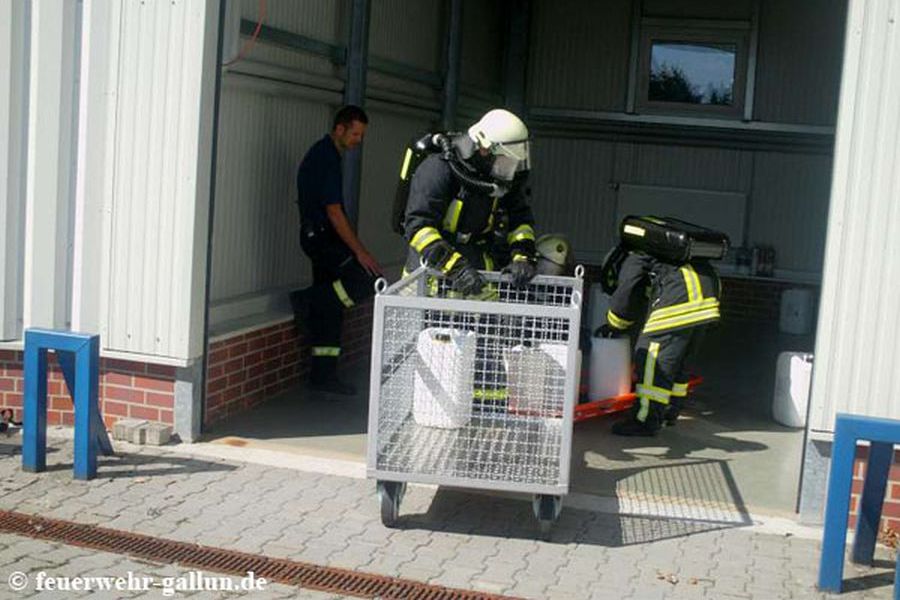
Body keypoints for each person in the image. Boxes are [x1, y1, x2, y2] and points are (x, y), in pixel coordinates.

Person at [403, 108, 539, 407]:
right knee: (435, 350)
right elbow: (418, 226)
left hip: (477, 266)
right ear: (483, 147)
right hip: (432, 273)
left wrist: (522, 256)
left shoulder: (502, 180)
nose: (512, 167)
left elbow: (522, 221)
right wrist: (456, 269)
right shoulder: (438, 169)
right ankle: (432, 410)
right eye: (506, 159)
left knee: (487, 343)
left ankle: (487, 413)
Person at [290, 105, 382, 395]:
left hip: (318, 237)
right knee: (365, 280)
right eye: (355, 133)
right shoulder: (326, 156)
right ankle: (307, 300)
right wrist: (360, 252)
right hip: (322, 238)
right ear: (340, 129)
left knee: (331, 309)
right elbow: (334, 211)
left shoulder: (326, 154)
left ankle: (323, 375)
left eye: (361, 135)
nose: (358, 140)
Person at [599, 220, 723, 436]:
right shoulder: (665, 252)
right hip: (707, 296)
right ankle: (669, 411)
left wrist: (615, 324)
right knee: (679, 361)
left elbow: (627, 291)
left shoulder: (635, 256)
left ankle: (644, 420)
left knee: (651, 358)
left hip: (682, 296)